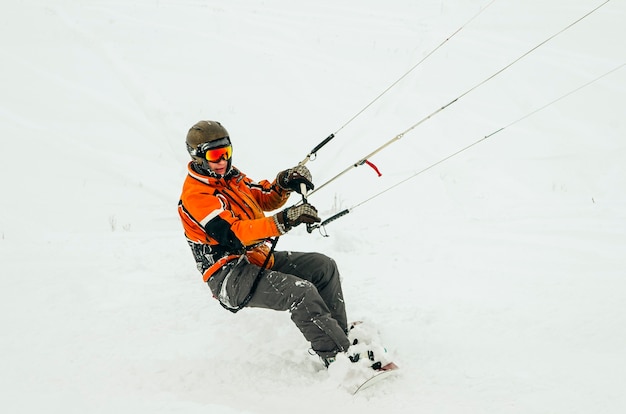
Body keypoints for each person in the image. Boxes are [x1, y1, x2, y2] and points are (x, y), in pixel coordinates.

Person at [177, 120, 352, 366]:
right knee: (301, 293)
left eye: (226, 153)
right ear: (198, 157)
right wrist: (282, 221)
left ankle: (339, 335)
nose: (223, 161)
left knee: (323, 266)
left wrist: (283, 184)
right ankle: (338, 359)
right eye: (215, 155)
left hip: (257, 258)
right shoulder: (197, 196)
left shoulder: (231, 177)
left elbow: (263, 197)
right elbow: (234, 234)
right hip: (229, 276)